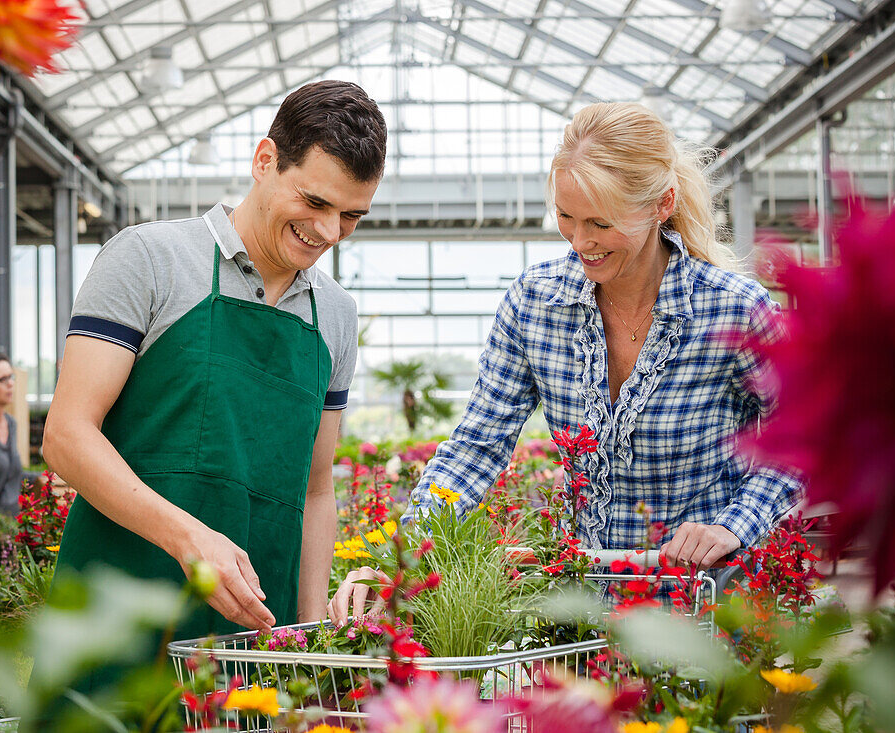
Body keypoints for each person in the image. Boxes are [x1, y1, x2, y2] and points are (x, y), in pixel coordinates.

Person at [329, 102, 802, 623]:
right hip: (585, 616)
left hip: (703, 609)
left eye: (601, 222)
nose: (580, 242)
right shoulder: (537, 303)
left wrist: (734, 524)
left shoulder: (735, 309)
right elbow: (476, 447)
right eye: (566, 217)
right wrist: (402, 553)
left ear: (662, 204)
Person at [42, 80, 387, 646]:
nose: (328, 232)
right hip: (113, 613)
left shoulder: (337, 316)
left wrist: (313, 644)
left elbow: (316, 489)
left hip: (254, 637)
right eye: (315, 202)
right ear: (265, 160)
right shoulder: (149, 258)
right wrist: (190, 539)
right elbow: (66, 434)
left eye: (352, 215)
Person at [0, 351, 44, 517]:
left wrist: (49, 476)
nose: (10, 384)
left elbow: (12, 474)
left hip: (11, 529)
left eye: (11, 377)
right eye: (2, 380)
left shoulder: (11, 424)